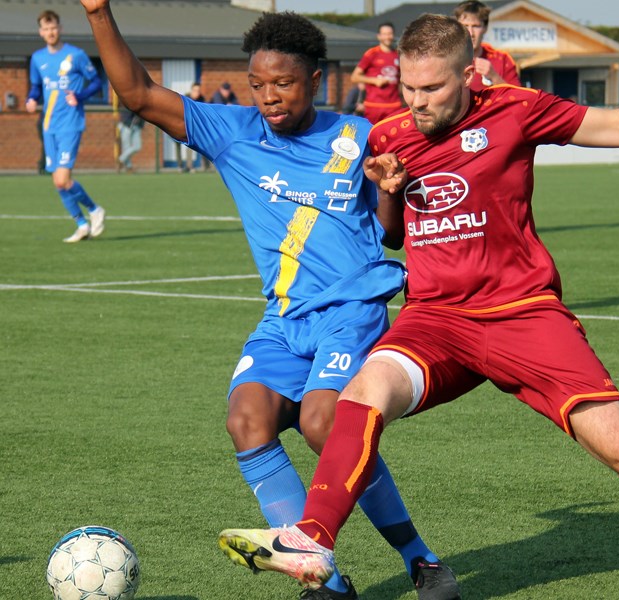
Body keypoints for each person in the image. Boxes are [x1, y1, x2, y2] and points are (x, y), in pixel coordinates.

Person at [217, 13, 619, 600]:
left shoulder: (515, 108)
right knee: (363, 392)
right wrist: (388, 191)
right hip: (435, 319)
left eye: (432, 88)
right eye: (408, 88)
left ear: (469, 74)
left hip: (523, 314)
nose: (417, 102)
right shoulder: (388, 136)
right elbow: (391, 237)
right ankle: (313, 538)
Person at [79, 2, 459, 599]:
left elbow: (391, 234)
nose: (268, 97)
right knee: (246, 421)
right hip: (283, 319)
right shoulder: (232, 134)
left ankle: (421, 558)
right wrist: (99, 12)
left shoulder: (359, 136)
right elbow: (139, 94)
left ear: (315, 80)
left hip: (351, 313)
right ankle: (325, 580)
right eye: (258, 85)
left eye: (283, 84)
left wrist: (391, 189)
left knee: (322, 423)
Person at [26, 10, 106, 242]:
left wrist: (79, 97)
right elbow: (35, 87)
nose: (50, 32)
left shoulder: (76, 55)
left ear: (60, 29)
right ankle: (81, 225)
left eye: (54, 28)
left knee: (63, 179)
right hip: (48, 124)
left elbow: (97, 81)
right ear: (41, 32)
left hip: (70, 123)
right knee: (57, 182)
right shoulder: (37, 59)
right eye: (46, 28)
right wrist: (31, 99)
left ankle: (94, 210)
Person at [454, 0, 521, 91]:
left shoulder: (503, 59)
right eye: (465, 26)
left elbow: (519, 98)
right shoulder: (445, 58)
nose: (471, 33)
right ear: (457, 27)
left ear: (485, 28)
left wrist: (494, 77)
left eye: (476, 26)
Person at [350, 22, 402, 124]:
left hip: (394, 105)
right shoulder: (372, 54)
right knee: (373, 136)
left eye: (390, 33)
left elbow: (401, 79)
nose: (388, 37)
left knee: (393, 137)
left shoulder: (398, 54)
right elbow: (354, 77)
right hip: (374, 105)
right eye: (385, 34)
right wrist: (374, 80)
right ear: (379, 36)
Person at [117, 105, 144, 172]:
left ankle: (121, 159)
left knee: (137, 147)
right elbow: (125, 116)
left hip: (136, 127)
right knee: (126, 147)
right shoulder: (129, 102)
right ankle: (129, 167)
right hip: (126, 126)